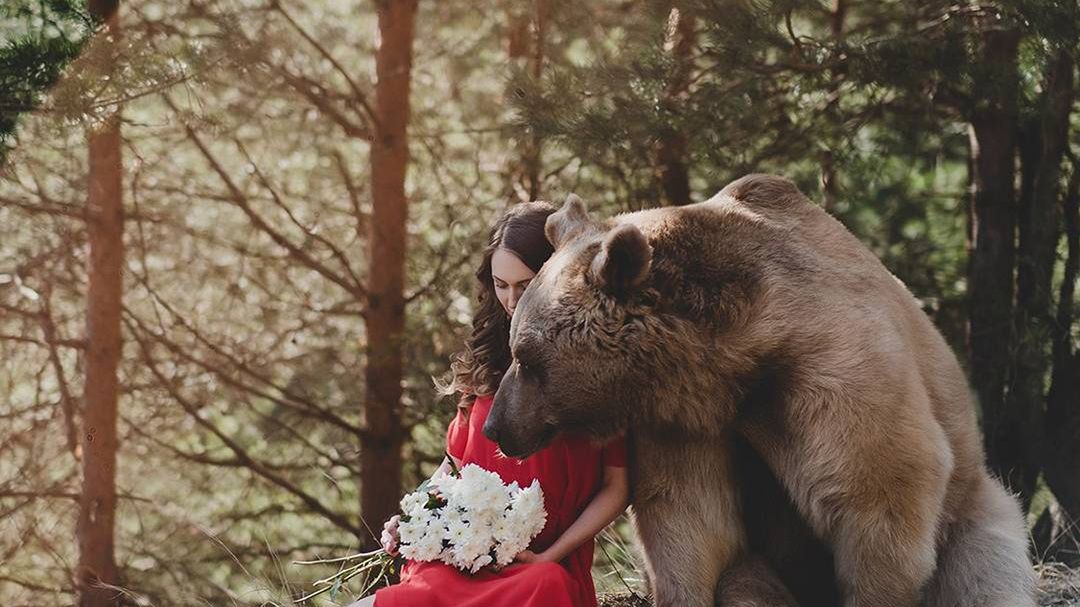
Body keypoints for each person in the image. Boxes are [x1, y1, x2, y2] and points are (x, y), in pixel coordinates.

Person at [347, 201, 630, 607]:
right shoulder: (485, 359)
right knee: (422, 590)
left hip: (540, 565)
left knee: (548, 585)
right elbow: (454, 467)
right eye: (501, 284)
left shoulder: (592, 365)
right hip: (461, 557)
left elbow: (615, 488)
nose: (512, 300)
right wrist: (412, 519)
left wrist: (552, 555)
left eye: (525, 284)